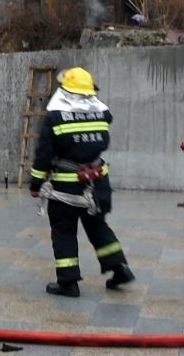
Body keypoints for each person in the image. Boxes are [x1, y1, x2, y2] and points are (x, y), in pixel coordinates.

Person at [29, 67, 134, 298]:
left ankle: (68, 282)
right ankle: (119, 268)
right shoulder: (102, 113)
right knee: (98, 227)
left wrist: (35, 184)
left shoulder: (55, 117)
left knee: (64, 232)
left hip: (66, 187)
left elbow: (44, 155)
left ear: (65, 90)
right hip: (98, 183)